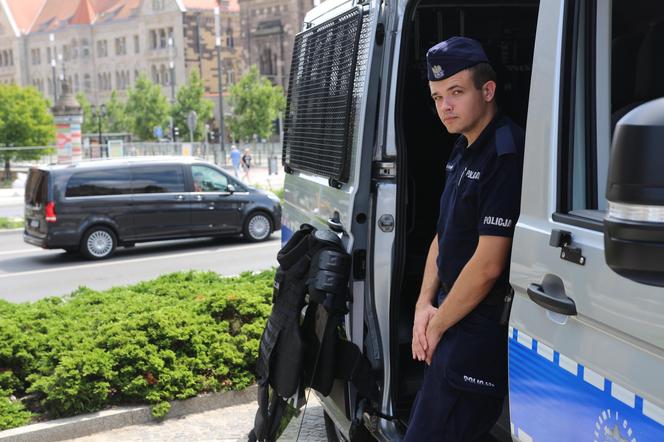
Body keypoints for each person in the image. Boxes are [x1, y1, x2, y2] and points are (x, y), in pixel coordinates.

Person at [405, 36, 525, 441]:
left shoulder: (505, 155)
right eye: (437, 97)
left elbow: (489, 264)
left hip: (476, 332)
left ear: (487, 90)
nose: (445, 107)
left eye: (456, 92)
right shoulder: (463, 149)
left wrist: (435, 325)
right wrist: (424, 303)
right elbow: (444, 233)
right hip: (452, 320)